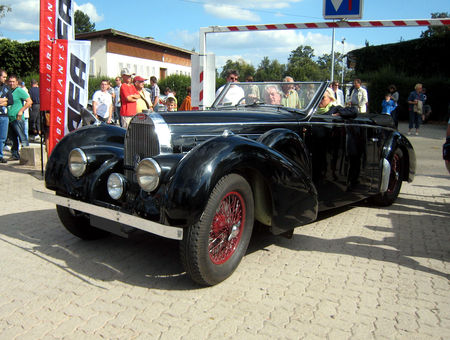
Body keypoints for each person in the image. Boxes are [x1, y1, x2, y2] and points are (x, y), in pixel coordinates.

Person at [7, 74, 31, 160]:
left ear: (17, 82)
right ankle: (15, 155)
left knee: (22, 137)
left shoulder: (19, 90)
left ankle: (27, 157)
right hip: (10, 118)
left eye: (13, 82)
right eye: (10, 81)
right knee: (13, 139)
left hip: (18, 118)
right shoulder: (9, 91)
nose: (11, 83)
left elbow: (29, 101)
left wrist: (21, 111)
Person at [0, 68, 13, 163]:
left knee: (2, 137)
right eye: (3, 77)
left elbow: (11, 100)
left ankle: (0, 155)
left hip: (4, 115)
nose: (5, 79)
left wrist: (3, 101)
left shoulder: (6, 88)